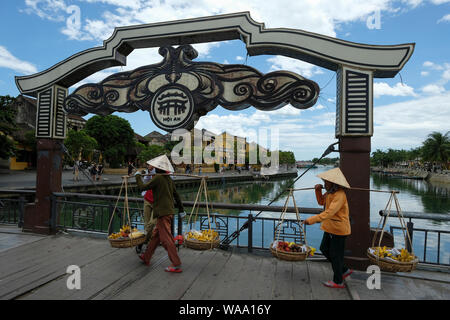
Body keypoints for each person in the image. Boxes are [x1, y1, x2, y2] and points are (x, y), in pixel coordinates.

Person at [304, 167, 353, 289]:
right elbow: (321, 202)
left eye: (326, 181)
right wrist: (317, 191)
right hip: (330, 228)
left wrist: (311, 220)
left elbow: (329, 213)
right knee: (324, 249)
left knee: (336, 255)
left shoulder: (340, 195)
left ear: (333, 183)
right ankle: (343, 270)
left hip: (338, 230)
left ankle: (338, 281)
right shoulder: (330, 193)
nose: (324, 183)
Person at [135, 154, 185, 273]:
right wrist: (181, 209)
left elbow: (143, 187)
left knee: (166, 239)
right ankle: (146, 257)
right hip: (167, 211)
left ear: (158, 168)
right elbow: (176, 195)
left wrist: (137, 176)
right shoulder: (168, 178)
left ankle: (176, 264)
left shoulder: (158, 178)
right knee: (156, 237)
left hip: (162, 213)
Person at [135, 162, 156, 254]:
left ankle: (142, 242)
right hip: (147, 199)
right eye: (148, 165)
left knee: (151, 224)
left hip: (157, 202)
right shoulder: (149, 172)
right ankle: (148, 245)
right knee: (147, 223)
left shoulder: (161, 174)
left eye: (150, 165)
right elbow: (144, 184)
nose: (148, 166)